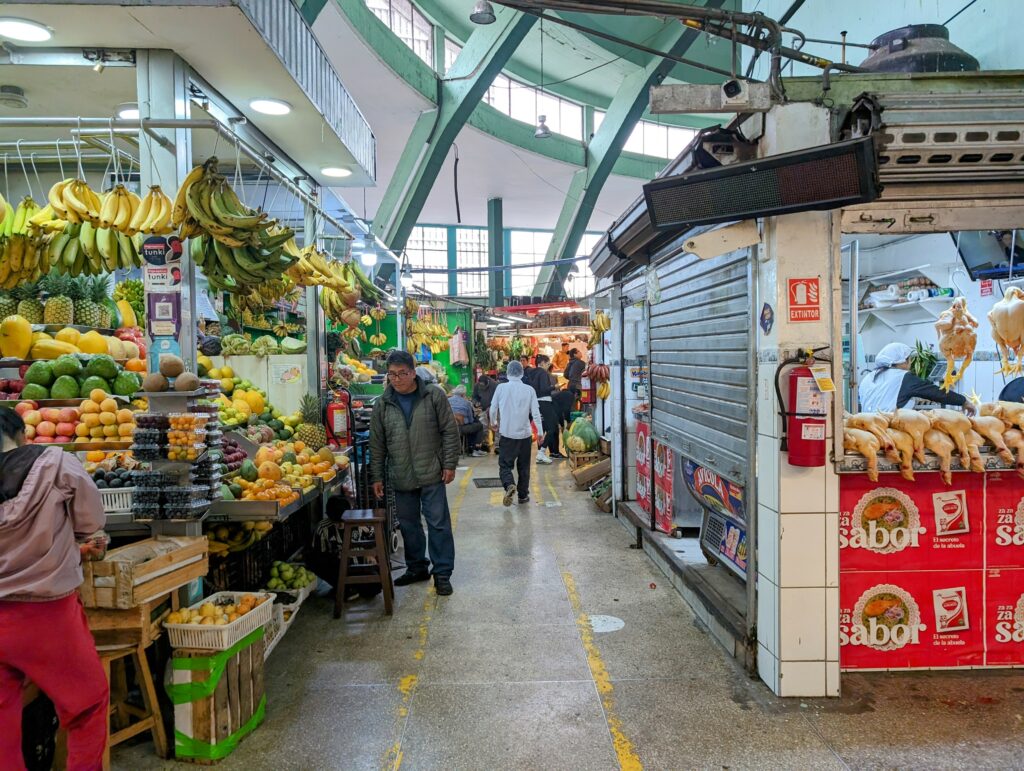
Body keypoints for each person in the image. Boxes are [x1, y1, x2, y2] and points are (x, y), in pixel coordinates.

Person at [0, 407, 110, 769]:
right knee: (87, 705)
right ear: (19, 435)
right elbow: (91, 521)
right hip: (47, 616)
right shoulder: (54, 463)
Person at [370, 350, 461, 596]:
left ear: (413, 372)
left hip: (431, 471)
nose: (396, 379)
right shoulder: (383, 404)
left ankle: (442, 573)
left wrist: (449, 463)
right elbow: (377, 443)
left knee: (438, 524)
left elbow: (449, 432)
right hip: (401, 475)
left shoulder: (433, 396)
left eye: (402, 373)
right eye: (391, 374)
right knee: (409, 525)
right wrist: (377, 476)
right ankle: (417, 567)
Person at [859, 342, 976, 414]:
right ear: (902, 361)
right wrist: (963, 401)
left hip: (867, 428)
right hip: (890, 430)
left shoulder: (868, 377)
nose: (910, 365)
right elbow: (936, 392)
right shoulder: (902, 377)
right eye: (909, 360)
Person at [490, 361, 543, 507]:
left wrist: (493, 422)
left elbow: (493, 408)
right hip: (525, 435)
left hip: (507, 434)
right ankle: (523, 496)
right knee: (524, 467)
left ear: (508, 372)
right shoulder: (529, 390)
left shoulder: (501, 388)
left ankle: (509, 485)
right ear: (521, 372)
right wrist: (539, 431)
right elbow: (536, 413)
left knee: (505, 466)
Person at [525, 355, 558, 464]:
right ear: (542, 363)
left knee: (542, 428)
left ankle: (540, 452)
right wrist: (555, 387)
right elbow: (544, 389)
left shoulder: (531, 373)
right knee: (552, 427)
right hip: (545, 402)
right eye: (548, 364)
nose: (548, 367)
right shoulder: (543, 373)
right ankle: (541, 453)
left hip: (536, 402)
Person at [449, 385, 485, 457]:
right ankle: (475, 449)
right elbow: (471, 419)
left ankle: (466, 447)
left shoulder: (448, 400)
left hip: (450, 427)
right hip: (462, 428)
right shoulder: (467, 403)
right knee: (479, 426)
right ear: (463, 394)